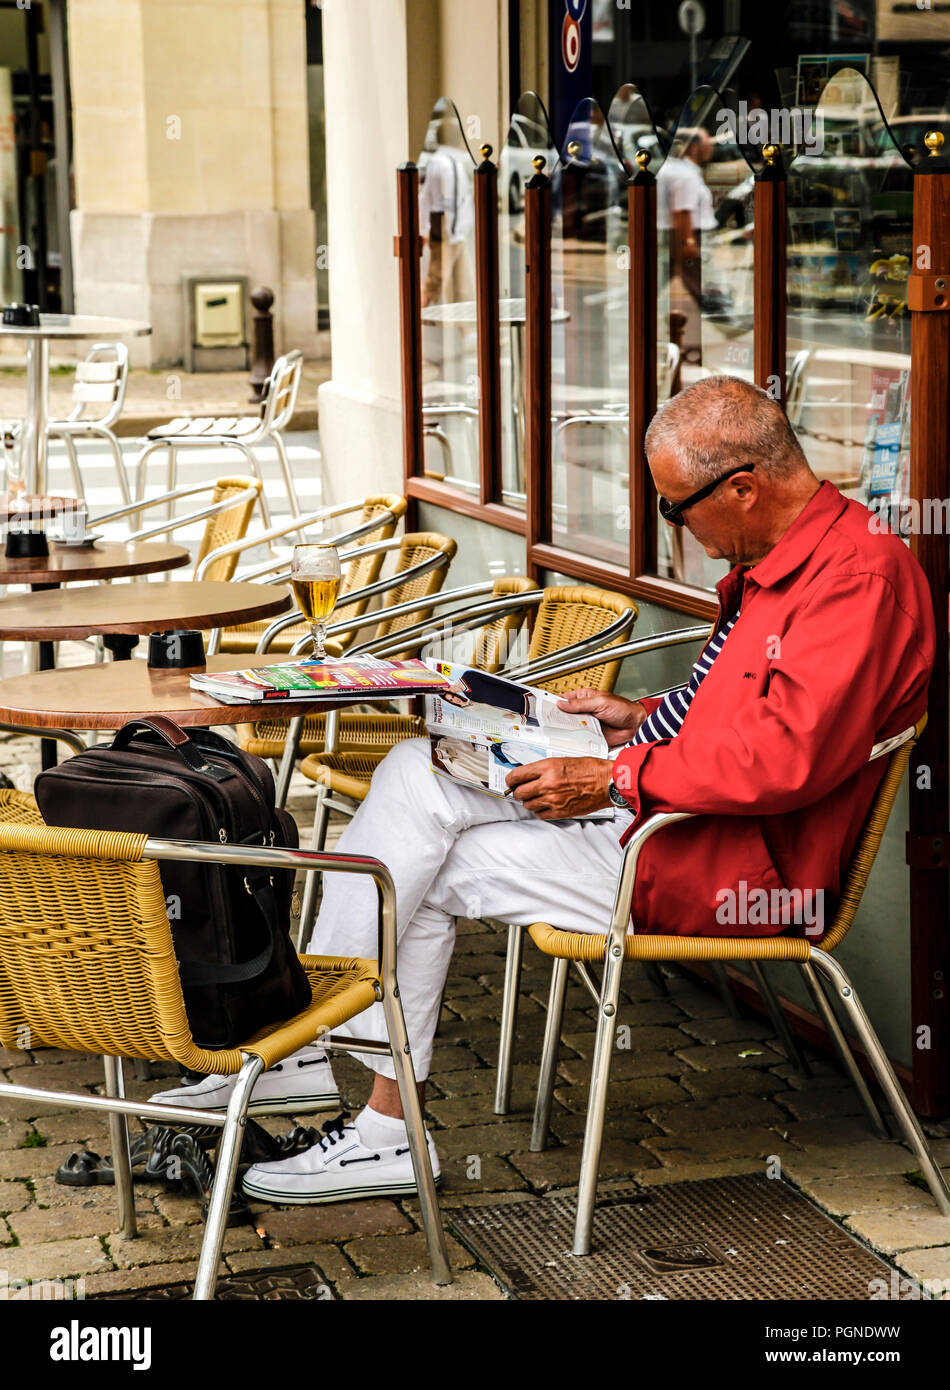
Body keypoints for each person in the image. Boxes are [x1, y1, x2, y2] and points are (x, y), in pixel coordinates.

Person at [152, 376, 935, 1206]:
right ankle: (314, 1054)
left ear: (742, 486)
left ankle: (362, 1108)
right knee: (415, 772)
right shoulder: (783, 557)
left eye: (675, 509)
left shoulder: (857, 581)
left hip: (720, 869)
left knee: (411, 876)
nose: (675, 529)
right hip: (664, 817)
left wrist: (613, 776)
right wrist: (637, 716)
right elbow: (738, 707)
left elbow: (786, 759)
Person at [419, 118, 475, 308]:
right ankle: (412, 324)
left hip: (447, 230)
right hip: (450, 232)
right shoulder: (450, 164)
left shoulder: (438, 162)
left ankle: (470, 335)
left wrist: (423, 229)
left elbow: (425, 199)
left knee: (461, 289)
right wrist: (453, 234)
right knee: (435, 282)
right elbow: (451, 203)